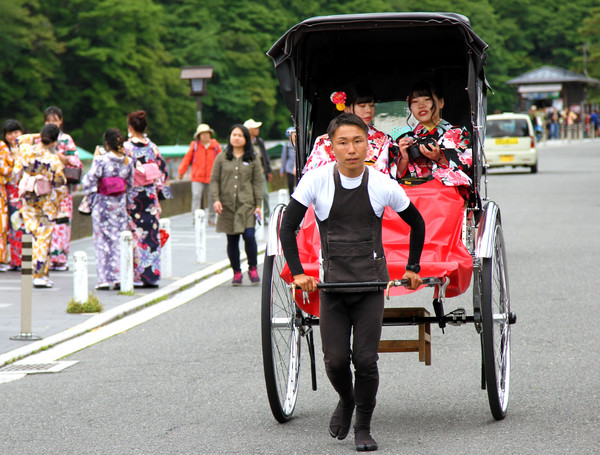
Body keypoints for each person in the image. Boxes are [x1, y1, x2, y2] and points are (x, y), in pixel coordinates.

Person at [280, 113, 425, 452]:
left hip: (370, 285)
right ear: (331, 147)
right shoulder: (315, 180)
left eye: (358, 141)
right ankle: (347, 400)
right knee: (334, 361)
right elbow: (287, 226)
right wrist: (299, 272)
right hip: (331, 287)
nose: (351, 149)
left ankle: (363, 427)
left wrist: (412, 266)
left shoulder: (381, 184)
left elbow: (416, 223)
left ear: (368, 145)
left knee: (365, 360)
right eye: (343, 142)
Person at [389, 80, 472, 188]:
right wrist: (404, 159)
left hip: (446, 193)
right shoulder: (406, 139)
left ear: (441, 102)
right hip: (414, 193)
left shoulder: (459, 133)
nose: (421, 106)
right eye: (415, 102)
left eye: (427, 100)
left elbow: (467, 169)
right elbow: (393, 177)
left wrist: (439, 157)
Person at [13, 124, 66, 288]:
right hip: (45, 201)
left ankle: (40, 274)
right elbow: (60, 181)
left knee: (34, 236)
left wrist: (38, 135)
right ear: (54, 142)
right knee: (43, 238)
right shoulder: (53, 160)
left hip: (29, 199)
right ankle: (39, 275)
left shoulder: (27, 151)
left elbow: (20, 139)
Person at [123, 110, 172, 288]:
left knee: (135, 235)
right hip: (150, 196)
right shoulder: (153, 147)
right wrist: (161, 193)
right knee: (151, 235)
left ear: (130, 127)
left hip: (133, 196)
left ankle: (137, 276)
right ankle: (152, 276)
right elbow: (162, 171)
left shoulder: (126, 148)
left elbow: (122, 172)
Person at [210, 124, 263, 286]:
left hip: (247, 205)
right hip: (227, 206)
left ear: (246, 138)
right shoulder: (222, 157)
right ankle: (236, 272)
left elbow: (257, 182)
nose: (236, 138)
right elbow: (214, 180)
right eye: (234, 135)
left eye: (240, 135)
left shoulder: (253, 158)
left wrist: (258, 205)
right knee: (232, 240)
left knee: (249, 236)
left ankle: (252, 267)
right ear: (230, 137)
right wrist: (216, 199)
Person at [82, 129, 133, 290]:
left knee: (102, 242)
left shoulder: (101, 160)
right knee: (118, 241)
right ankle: (119, 277)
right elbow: (130, 186)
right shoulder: (128, 161)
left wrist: (92, 198)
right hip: (120, 207)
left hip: (103, 206)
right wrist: (128, 204)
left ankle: (104, 279)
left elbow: (88, 182)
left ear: (107, 144)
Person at [303, 85, 391, 174]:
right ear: (346, 108)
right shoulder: (324, 141)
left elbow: (384, 172)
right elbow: (314, 174)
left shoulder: (383, 139)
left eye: (371, 105)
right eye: (362, 106)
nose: (369, 110)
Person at [42, 106, 83, 271]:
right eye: (48, 121)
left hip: (62, 188)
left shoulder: (66, 139)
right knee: (45, 222)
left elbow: (74, 161)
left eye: (55, 120)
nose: (51, 123)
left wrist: (55, 152)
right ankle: (45, 258)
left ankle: (60, 259)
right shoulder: (40, 139)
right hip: (44, 188)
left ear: (60, 121)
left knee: (62, 223)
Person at [177, 123, 222, 224]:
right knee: (196, 196)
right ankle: (195, 218)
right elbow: (187, 159)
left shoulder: (215, 146)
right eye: (203, 134)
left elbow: (221, 160)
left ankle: (211, 218)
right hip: (197, 176)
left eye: (207, 133)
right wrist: (181, 172)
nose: (205, 136)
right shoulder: (195, 146)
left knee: (212, 198)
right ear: (199, 136)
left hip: (212, 176)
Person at [2, 120, 25, 271]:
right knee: (11, 226)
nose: (13, 136)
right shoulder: (4, 151)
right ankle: (14, 260)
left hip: (24, 191)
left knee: (24, 225)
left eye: (16, 132)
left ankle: (25, 259)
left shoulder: (28, 149)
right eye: (10, 133)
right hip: (9, 191)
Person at [243, 119, 272, 221]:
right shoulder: (244, 142)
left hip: (261, 172)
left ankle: (266, 215)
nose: (257, 130)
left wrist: (269, 171)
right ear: (249, 130)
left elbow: (265, 156)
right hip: (247, 173)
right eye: (255, 128)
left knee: (264, 194)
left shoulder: (260, 141)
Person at [279, 126, 297, 196]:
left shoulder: (300, 145)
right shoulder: (287, 146)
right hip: (289, 168)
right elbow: (284, 158)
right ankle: (291, 198)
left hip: (298, 167)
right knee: (290, 184)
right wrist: (282, 170)